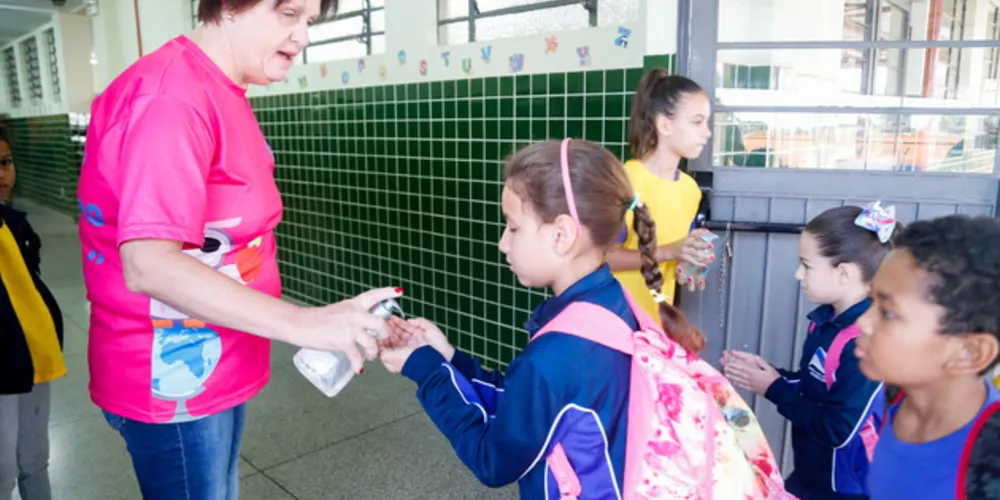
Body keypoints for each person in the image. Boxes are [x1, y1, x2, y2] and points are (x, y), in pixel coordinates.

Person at [75, 1, 399, 498]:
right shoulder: (170, 98)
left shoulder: (223, 88)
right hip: (172, 375)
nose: (302, 37)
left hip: (218, 356)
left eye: (310, 20)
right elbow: (149, 264)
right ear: (227, 6)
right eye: (288, 13)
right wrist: (306, 323)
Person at [376, 139, 786, 498]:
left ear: (562, 234)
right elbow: (534, 408)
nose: (502, 243)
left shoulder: (558, 354)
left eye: (513, 228)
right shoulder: (613, 302)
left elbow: (494, 460)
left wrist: (427, 373)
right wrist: (449, 360)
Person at [723, 203, 900, 500]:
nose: (797, 274)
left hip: (845, 489)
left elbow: (838, 429)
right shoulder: (826, 322)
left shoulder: (866, 343)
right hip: (811, 476)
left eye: (806, 264)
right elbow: (816, 388)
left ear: (843, 273)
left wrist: (775, 389)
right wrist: (772, 375)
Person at [856, 215, 1000, 500]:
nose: (862, 322)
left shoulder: (991, 460)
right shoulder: (895, 393)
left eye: (887, 313)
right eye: (870, 302)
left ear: (969, 353)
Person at [607, 69, 714, 326]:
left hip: (654, 325)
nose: (707, 133)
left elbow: (671, 258)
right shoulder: (626, 180)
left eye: (707, 122)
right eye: (697, 122)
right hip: (614, 319)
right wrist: (667, 252)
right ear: (664, 124)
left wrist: (686, 265)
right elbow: (603, 258)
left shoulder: (690, 190)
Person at [0, 122, 66, 500]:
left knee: (35, 461)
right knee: (3, 470)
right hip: (3, 369)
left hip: (36, 359)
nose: (2, 174)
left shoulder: (17, 224)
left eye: (6, 162)